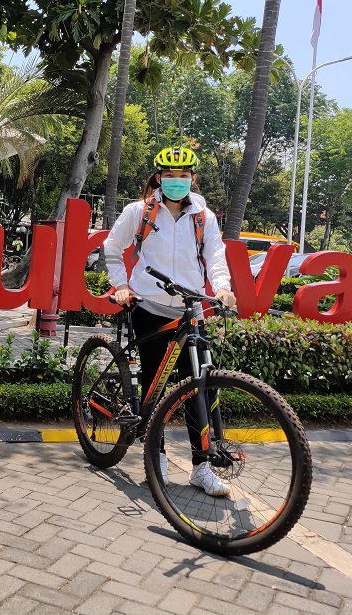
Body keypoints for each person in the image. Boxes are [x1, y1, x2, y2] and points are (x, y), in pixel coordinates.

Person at [103, 145, 237, 496]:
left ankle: (201, 467)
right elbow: (112, 249)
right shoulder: (139, 212)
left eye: (183, 175)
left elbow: (216, 255)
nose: (177, 182)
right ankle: (155, 456)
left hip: (191, 309)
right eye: (170, 175)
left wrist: (222, 289)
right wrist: (120, 286)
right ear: (159, 177)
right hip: (150, 306)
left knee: (199, 388)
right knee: (154, 385)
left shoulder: (203, 217)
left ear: (193, 178)